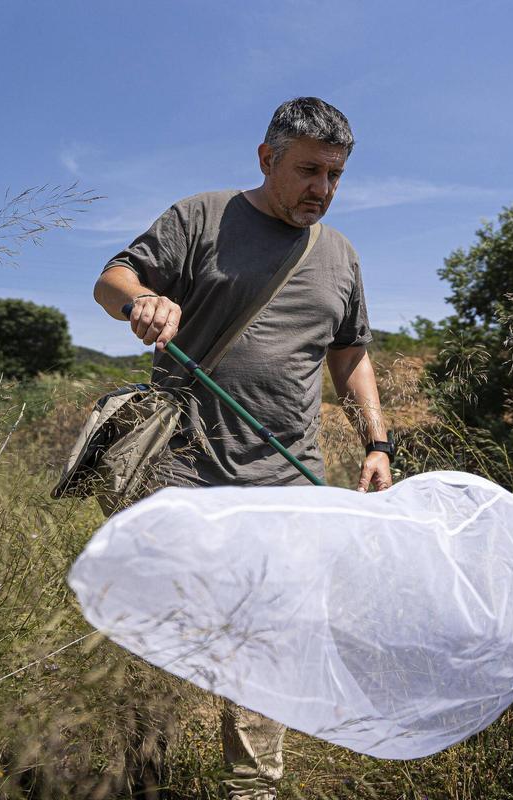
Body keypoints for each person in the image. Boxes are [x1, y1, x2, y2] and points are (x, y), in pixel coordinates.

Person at [92, 96, 392, 799]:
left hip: (286, 478)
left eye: (336, 175)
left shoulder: (341, 256)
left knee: (273, 639)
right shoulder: (202, 217)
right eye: (310, 169)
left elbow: (350, 356)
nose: (323, 188)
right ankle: (139, 771)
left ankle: (252, 789)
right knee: (161, 633)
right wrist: (142, 301)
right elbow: (111, 280)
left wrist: (377, 442)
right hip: (181, 467)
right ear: (267, 159)